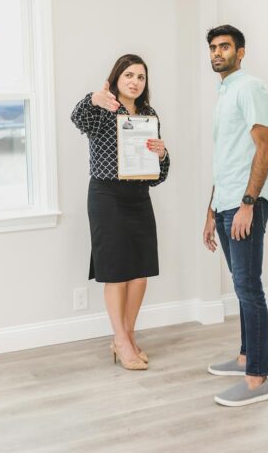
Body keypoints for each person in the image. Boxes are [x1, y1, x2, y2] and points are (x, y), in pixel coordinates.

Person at [71, 54, 170, 371]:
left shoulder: (149, 114)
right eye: (128, 75)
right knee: (116, 272)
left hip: (139, 197)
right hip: (106, 197)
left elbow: (158, 175)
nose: (134, 82)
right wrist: (92, 98)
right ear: (116, 78)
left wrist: (163, 154)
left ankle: (125, 336)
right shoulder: (101, 109)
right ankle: (122, 340)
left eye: (140, 77)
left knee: (139, 274)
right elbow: (77, 118)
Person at [202, 25, 268, 406]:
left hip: (246, 203)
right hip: (227, 201)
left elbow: (265, 148)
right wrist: (211, 211)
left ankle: (257, 379)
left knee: (249, 287)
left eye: (225, 47)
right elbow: (227, 158)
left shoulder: (250, 88)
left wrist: (249, 202)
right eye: (213, 48)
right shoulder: (226, 91)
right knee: (240, 285)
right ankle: (247, 357)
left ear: (241, 52)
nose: (218, 53)